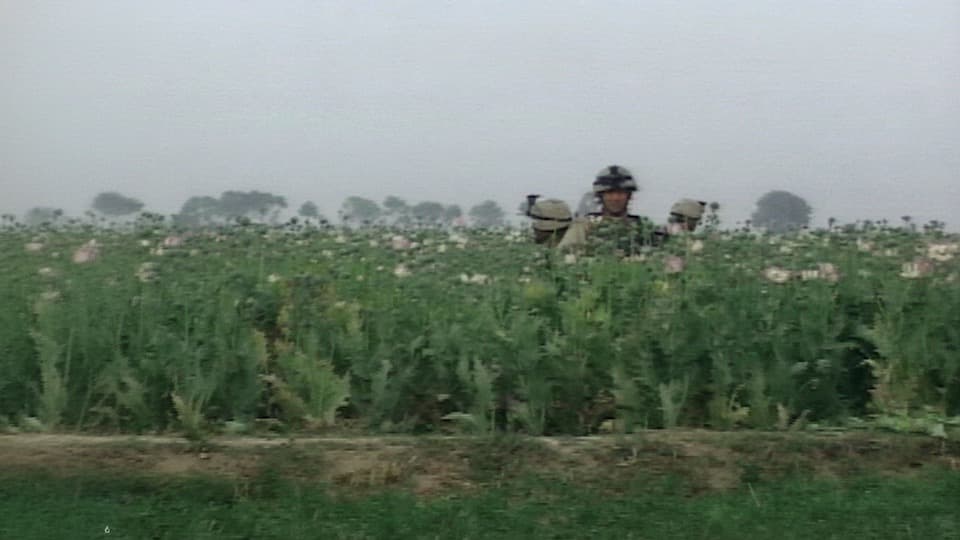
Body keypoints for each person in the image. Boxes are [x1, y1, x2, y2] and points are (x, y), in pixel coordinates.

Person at [557, 165, 658, 253]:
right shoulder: (584, 226)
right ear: (601, 196)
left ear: (629, 195)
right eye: (610, 193)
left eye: (620, 193)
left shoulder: (642, 227)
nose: (615, 198)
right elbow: (564, 255)